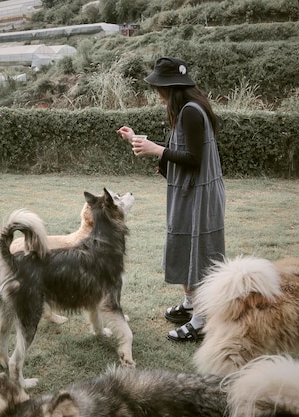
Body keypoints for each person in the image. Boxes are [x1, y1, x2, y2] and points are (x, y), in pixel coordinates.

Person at [117, 57, 226, 342]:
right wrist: (141, 142)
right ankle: (191, 306)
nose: (157, 94)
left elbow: (193, 158)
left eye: (159, 88)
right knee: (186, 247)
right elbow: (181, 151)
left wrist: (156, 150)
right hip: (193, 192)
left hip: (200, 195)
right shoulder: (187, 109)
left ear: (170, 88)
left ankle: (201, 321)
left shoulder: (190, 112)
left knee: (199, 254)